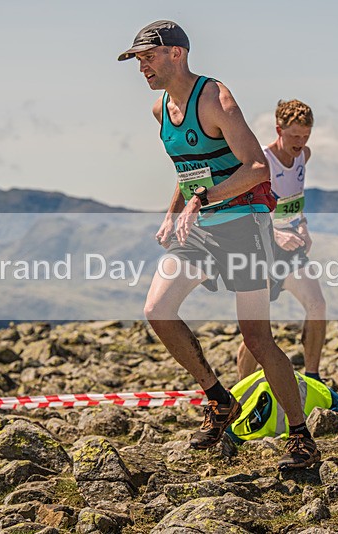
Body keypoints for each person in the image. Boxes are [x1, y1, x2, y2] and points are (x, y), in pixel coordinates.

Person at [118, 20, 320, 468]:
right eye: (137, 60)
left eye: (147, 57)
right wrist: (174, 212)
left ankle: (301, 437)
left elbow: (256, 168)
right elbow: (187, 169)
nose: (141, 67)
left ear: (177, 54)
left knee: (257, 338)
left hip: (244, 224)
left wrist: (202, 200)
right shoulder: (159, 111)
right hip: (200, 227)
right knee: (158, 310)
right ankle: (218, 398)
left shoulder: (214, 97)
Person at [236, 100, 327, 383]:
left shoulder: (304, 155)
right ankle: (241, 388)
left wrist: (304, 227)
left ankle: (313, 375)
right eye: (294, 136)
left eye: (305, 135)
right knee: (258, 327)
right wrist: (275, 233)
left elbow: (295, 196)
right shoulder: (262, 161)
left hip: (292, 249)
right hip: (261, 249)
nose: (300, 142)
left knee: (317, 305)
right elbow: (247, 208)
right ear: (279, 130)